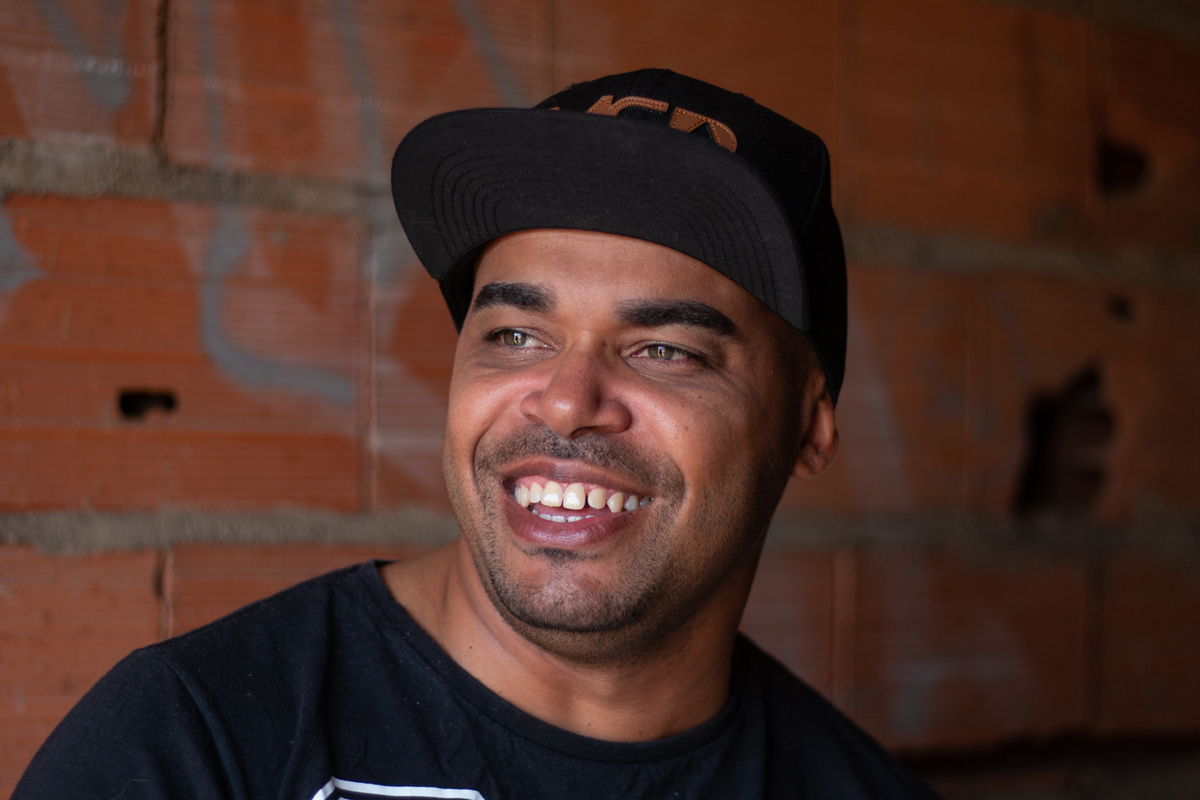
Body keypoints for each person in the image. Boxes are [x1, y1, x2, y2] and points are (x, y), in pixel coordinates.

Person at [15, 69, 937, 799]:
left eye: (664, 350)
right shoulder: (194, 745)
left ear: (810, 426)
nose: (566, 402)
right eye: (517, 336)